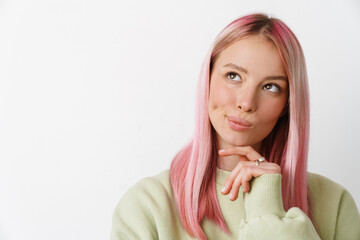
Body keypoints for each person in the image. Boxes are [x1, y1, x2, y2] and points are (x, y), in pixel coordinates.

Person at [110, 13, 360, 240]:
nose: (246, 103)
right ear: (207, 79)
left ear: (288, 104)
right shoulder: (146, 205)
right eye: (233, 76)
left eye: (270, 86)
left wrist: (268, 212)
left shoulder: (334, 203)